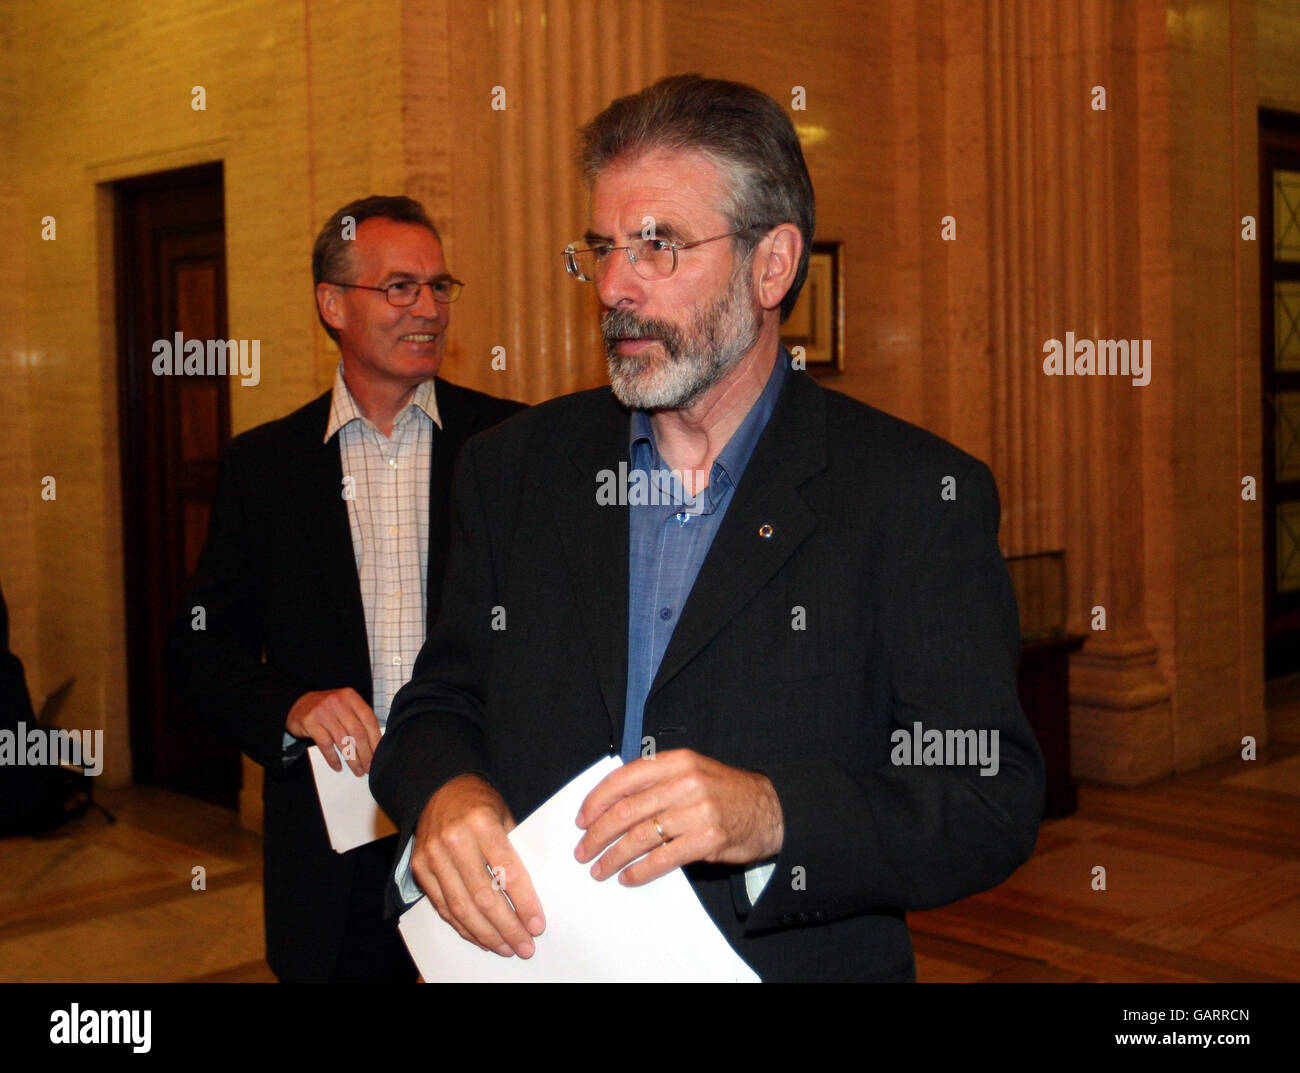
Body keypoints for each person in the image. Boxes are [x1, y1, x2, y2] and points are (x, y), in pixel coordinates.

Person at [371, 76, 1044, 982]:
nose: (613, 285)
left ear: (772, 265)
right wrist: (447, 792)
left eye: (659, 246)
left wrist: (771, 814)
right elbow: (438, 704)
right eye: (603, 247)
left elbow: (987, 796)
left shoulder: (913, 496)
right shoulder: (515, 469)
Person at [167, 195, 524, 982]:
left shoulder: (511, 447)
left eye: (439, 286)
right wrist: (290, 706)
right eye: (400, 287)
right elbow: (200, 651)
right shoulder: (265, 467)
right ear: (332, 304)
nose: (427, 308)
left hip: (485, 836)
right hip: (334, 861)